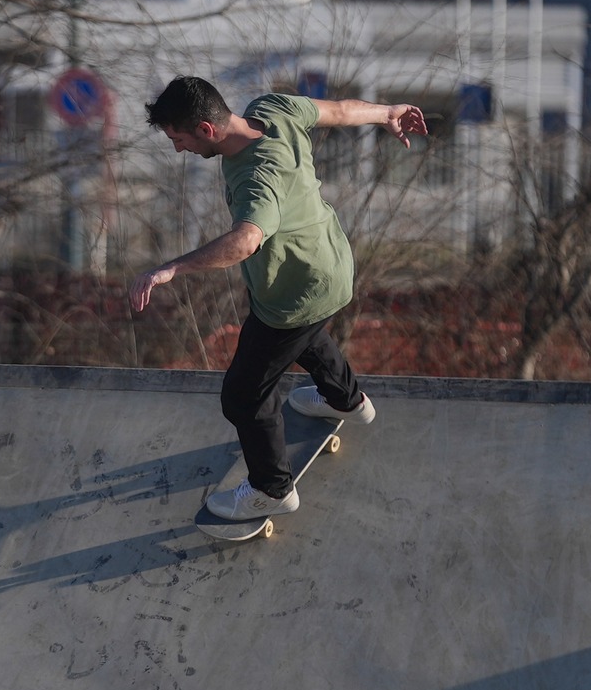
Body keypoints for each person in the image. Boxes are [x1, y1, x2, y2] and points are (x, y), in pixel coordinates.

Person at [128, 77, 426, 525]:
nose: (178, 149)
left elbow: (246, 241)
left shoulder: (255, 176)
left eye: (179, 139)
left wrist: (172, 268)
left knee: (244, 395)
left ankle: (271, 489)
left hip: (294, 292)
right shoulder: (274, 109)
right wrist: (387, 113)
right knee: (303, 335)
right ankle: (346, 401)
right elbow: (341, 111)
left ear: (206, 131)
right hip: (331, 265)